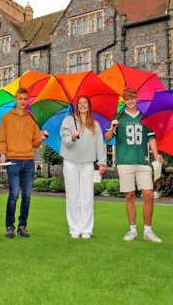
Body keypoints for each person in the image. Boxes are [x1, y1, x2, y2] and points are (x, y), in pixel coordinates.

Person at [105, 88, 164, 243]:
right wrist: (112, 127)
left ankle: (148, 230)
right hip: (125, 162)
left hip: (143, 161)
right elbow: (107, 137)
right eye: (127, 99)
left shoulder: (145, 118)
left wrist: (156, 154)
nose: (130, 101)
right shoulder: (118, 117)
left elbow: (151, 138)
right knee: (129, 195)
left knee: (149, 195)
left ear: (137, 99)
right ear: (124, 101)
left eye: (133, 98)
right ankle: (132, 230)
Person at [0, 88, 48, 238]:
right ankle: (9, 226)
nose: (23, 102)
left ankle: (22, 226)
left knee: (26, 196)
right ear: (15, 99)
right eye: (20, 98)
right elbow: (2, 139)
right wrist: (2, 153)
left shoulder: (31, 119)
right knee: (13, 195)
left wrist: (41, 138)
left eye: (25, 99)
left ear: (28, 100)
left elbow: (35, 143)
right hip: (13, 160)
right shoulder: (6, 118)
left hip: (29, 161)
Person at [59, 96, 107, 239]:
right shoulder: (68, 121)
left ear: (89, 105)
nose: (82, 105)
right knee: (72, 196)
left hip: (87, 163)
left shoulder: (95, 124)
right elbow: (65, 140)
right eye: (80, 103)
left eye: (85, 103)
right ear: (76, 106)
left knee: (87, 196)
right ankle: (74, 228)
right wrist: (73, 137)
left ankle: (86, 229)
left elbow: (100, 144)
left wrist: (102, 162)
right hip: (70, 162)